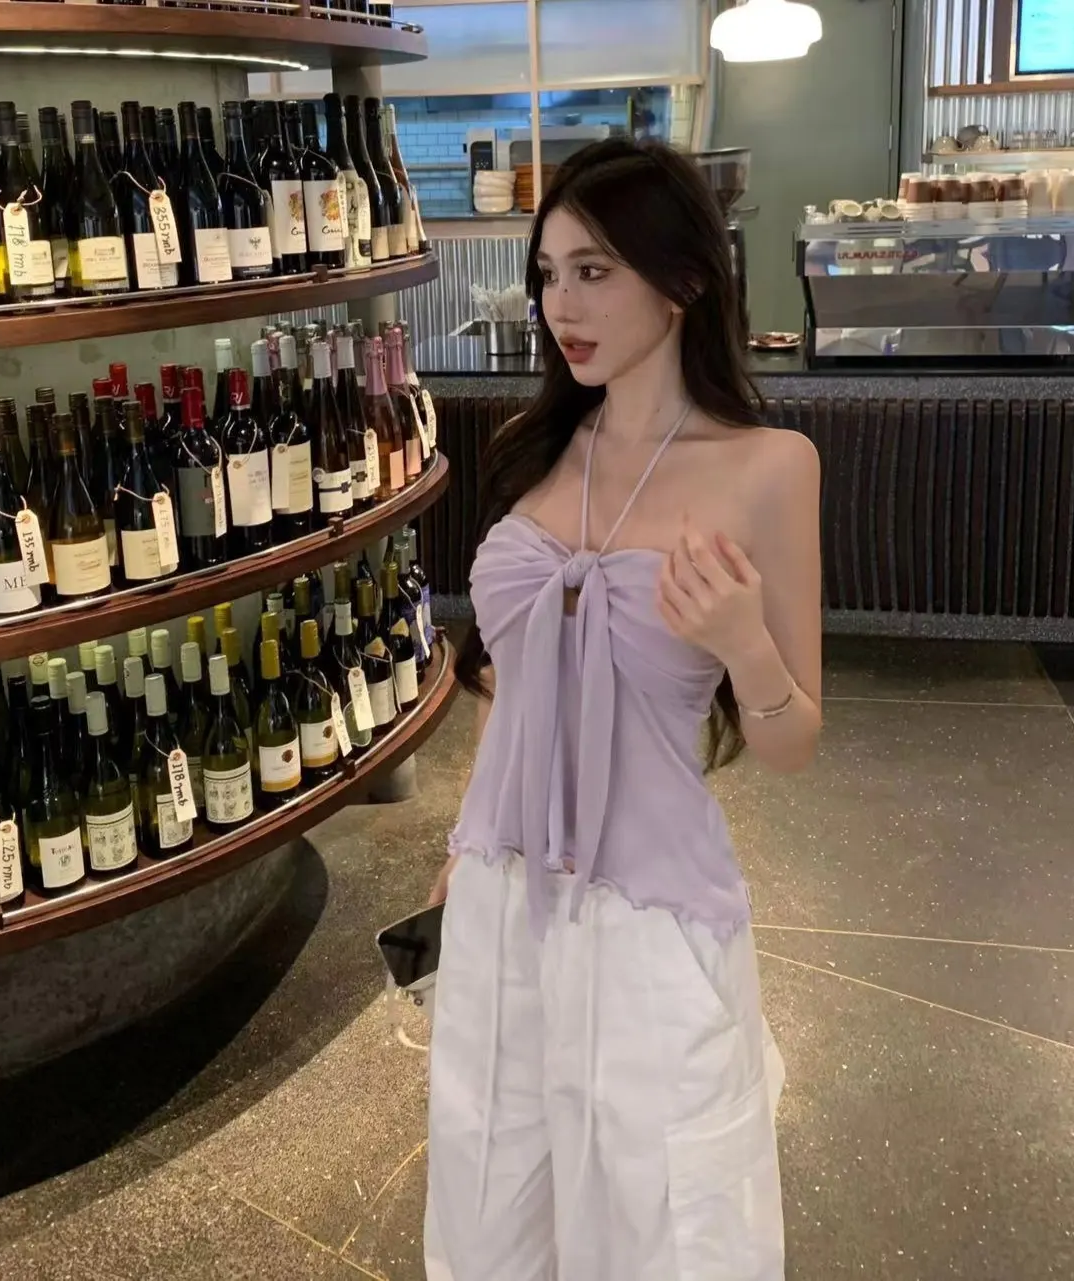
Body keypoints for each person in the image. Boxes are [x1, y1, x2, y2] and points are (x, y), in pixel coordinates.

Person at [423, 138, 822, 1281]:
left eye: (593, 271)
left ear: (682, 278)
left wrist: (743, 646)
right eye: (548, 274)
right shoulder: (537, 448)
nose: (560, 306)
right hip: (502, 893)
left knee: (663, 1225)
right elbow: (505, 679)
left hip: (648, 909)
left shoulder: (765, 466)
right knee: (492, 1199)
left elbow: (793, 741)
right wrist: (458, 851)